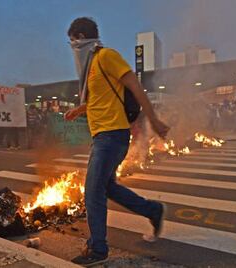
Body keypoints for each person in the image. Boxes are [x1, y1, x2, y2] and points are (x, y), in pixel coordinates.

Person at [64, 17, 169, 266]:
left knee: (92, 191)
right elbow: (101, 99)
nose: (72, 47)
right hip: (103, 136)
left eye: (73, 41)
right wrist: (80, 110)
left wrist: (153, 119)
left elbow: (134, 85)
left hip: (112, 135)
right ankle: (153, 210)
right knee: (107, 187)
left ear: (81, 38)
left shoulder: (105, 56)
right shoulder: (91, 66)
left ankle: (98, 249)